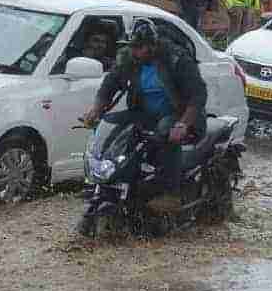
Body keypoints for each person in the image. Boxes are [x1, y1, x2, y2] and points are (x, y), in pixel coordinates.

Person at [79, 19, 207, 236]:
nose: (136, 52)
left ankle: (171, 191)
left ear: (153, 45)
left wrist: (183, 124)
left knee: (166, 131)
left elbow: (198, 95)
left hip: (177, 115)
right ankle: (118, 178)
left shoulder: (177, 59)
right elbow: (110, 84)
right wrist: (96, 110)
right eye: (133, 47)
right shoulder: (129, 59)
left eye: (140, 47)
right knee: (112, 122)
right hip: (144, 113)